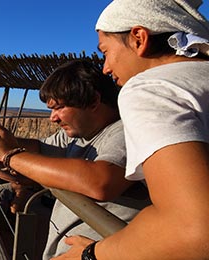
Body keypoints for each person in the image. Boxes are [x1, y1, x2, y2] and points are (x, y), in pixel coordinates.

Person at [53, 1, 209, 259]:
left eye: (105, 52)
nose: (105, 67)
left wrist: (92, 254)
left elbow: (191, 228)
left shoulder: (151, 88)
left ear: (138, 38)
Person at [0, 60, 150, 259]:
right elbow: (40, 148)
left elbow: (101, 182)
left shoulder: (125, 132)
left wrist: (10, 156)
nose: (53, 118)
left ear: (93, 101)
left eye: (59, 108)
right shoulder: (79, 134)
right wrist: (3, 138)